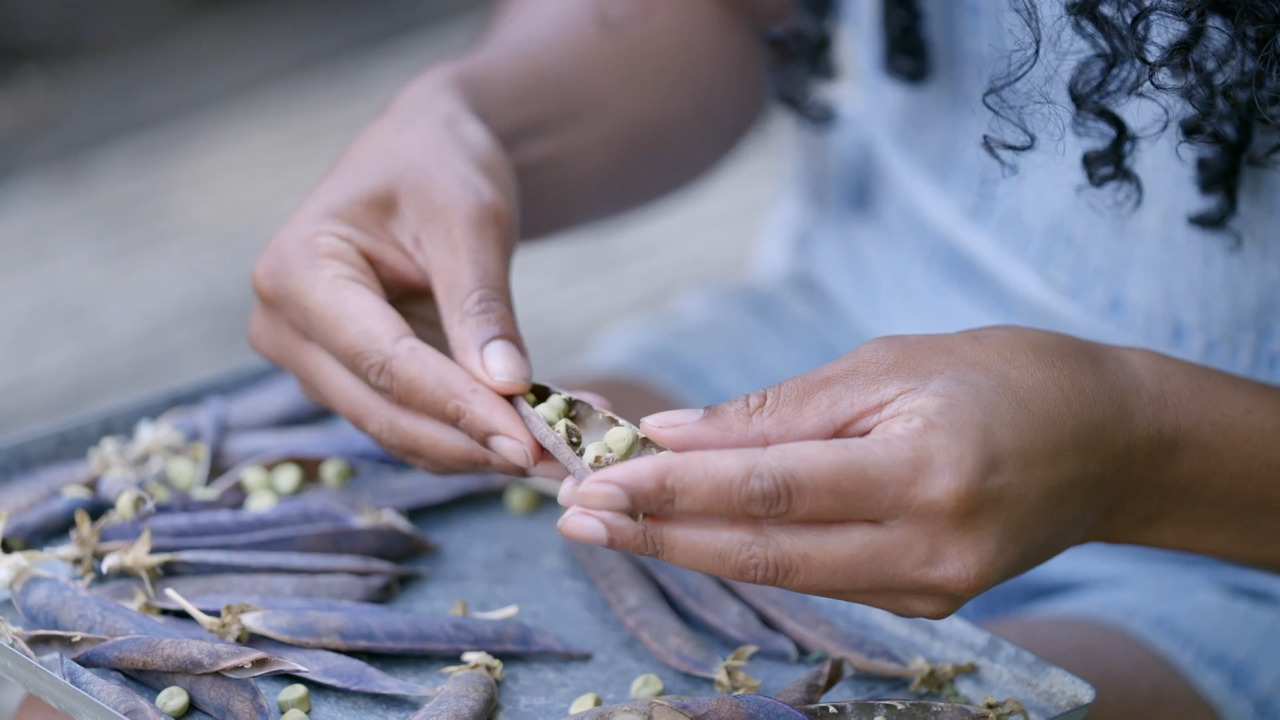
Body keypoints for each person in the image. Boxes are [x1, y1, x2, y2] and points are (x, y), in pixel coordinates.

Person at [18, 1, 1277, 719]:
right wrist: (476, 119)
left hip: (1233, 521)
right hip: (809, 350)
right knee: (87, 648)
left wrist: (1134, 447)